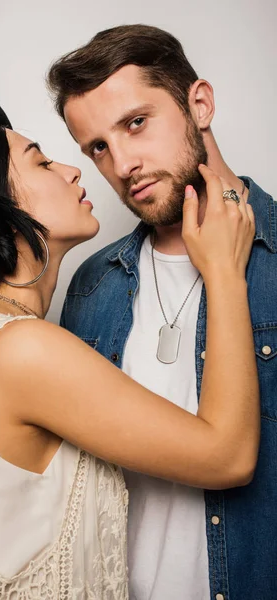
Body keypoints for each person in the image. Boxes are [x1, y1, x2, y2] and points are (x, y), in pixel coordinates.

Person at [0, 92, 258, 600]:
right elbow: (227, 456)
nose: (73, 170)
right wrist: (226, 274)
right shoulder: (22, 349)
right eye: (40, 161)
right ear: (0, 208)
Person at [47, 23, 277, 600]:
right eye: (98, 147)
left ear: (199, 104)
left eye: (135, 123)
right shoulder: (91, 286)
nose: (122, 163)